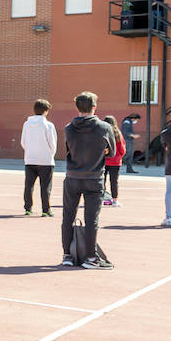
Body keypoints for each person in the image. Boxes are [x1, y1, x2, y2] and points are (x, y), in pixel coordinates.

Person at [60, 92, 115, 269]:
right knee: (91, 219)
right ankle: (91, 258)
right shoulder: (104, 127)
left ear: (77, 107)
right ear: (94, 107)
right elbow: (112, 152)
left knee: (68, 216)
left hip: (73, 177)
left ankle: (67, 255)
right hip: (94, 177)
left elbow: (68, 149)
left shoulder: (69, 128)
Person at [21, 98, 58, 217]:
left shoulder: (26, 124)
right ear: (46, 111)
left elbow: (23, 142)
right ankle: (45, 210)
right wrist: (50, 154)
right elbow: (52, 143)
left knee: (28, 186)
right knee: (45, 187)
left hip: (30, 159)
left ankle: (28, 209)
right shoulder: (49, 125)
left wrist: (30, 151)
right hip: (45, 161)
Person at [102, 115, 126, 207]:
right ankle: (114, 200)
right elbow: (122, 149)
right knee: (114, 181)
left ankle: (100, 199)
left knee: (101, 181)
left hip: (103, 160)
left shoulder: (102, 132)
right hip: (115, 161)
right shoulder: (117, 133)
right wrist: (119, 157)